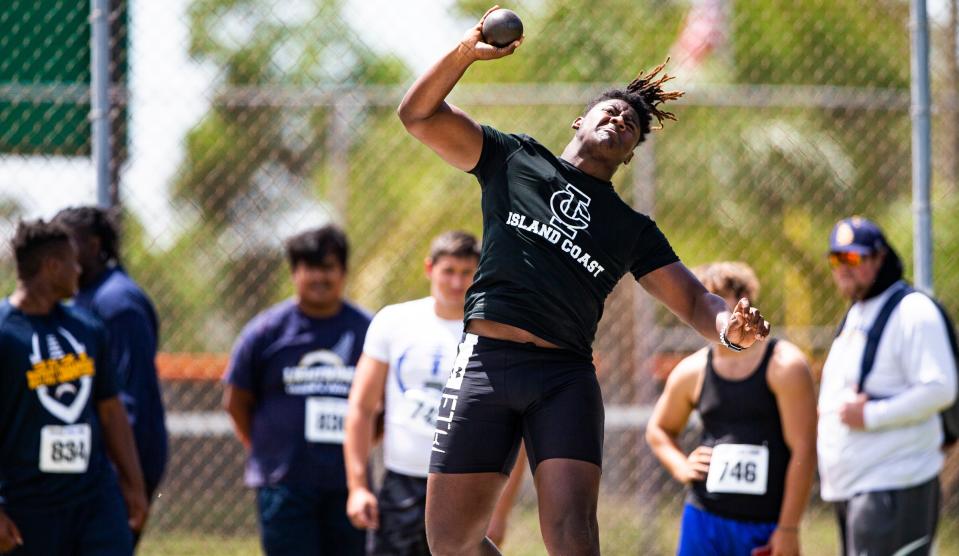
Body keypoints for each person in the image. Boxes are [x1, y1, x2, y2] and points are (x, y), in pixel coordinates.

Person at [397, 7, 770, 555]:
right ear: (581, 119)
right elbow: (419, 116)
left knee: (572, 537)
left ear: (633, 152)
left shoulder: (629, 228)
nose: (621, 121)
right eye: (612, 111)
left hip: (562, 379)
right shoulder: (513, 159)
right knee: (449, 542)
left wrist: (729, 329)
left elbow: (693, 298)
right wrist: (466, 54)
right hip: (484, 363)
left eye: (632, 126)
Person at [344, 231, 525, 555]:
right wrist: (358, 487)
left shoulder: (497, 333)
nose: (457, 282)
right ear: (430, 269)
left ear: (480, 272)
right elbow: (361, 407)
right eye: (449, 271)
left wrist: (499, 511)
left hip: (467, 489)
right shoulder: (394, 321)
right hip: (402, 485)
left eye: (466, 272)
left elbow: (516, 429)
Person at [645, 262, 816, 556]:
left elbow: (804, 449)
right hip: (704, 519)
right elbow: (658, 429)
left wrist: (788, 529)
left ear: (746, 299)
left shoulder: (785, 366)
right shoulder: (693, 370)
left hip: (765, 523)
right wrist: (681, 465)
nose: (714, 313)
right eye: (704, 303)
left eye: (721, 301)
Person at [0, 219, 148, 555]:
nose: (79, 269)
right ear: (52, 267)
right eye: (71, 262)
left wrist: (134, 485)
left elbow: (111, 410)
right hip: (26, 505)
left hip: (93, 499)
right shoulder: (5, 333)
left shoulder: (87, 328)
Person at [223, 224, 371, 556]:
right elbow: (236, 400)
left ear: (343, 272)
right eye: (310, 268)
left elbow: (383, 408)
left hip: (348, 486)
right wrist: (265, 447)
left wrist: (360, 450)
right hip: (284, 482)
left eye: (328, 267)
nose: (320, 277)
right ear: (295, 272)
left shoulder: (368, 332)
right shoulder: (265, 331)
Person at [818, 216, 956, 556]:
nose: (843, 269)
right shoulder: (858, 312)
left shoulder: (913, 310)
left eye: (853, 258)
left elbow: (941, 388)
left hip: (894, 484)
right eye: (836, 260)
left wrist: (872, 415)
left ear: (879, 258)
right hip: (854, 487)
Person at [53, 206, 168, 530]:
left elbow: (130, 399)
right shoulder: (80, 297)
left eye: (68, 244)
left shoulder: (117, 303)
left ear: (93, 245)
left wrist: (127, 479)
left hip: (119, 467)